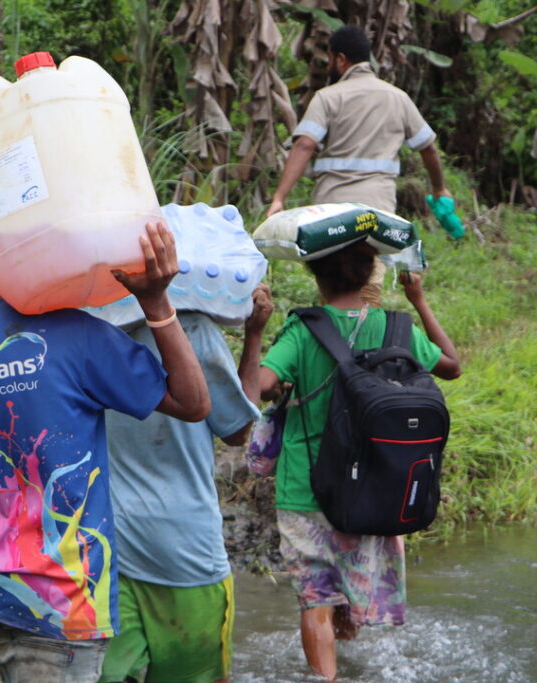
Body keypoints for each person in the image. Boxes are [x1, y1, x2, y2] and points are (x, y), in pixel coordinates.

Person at [0, 199, 210, 682]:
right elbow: (191, 403)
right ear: (8, 253)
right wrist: (156, 303)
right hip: (65, 603)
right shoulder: (70, 334)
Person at [252, 240, 461, 681]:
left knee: (316, 598)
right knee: (348, 593)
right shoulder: (398, 329)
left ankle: (326, 676)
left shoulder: (303, 331)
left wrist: (254, 332)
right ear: (371, 276)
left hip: (306, 489)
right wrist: (418, 300)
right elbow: (451, 365)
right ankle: (346, 662)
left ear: (315, 276)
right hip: (376, 485)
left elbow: (257, 386)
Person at [98, 287, 273, 683]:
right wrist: (254, 336)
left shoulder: (83, 332)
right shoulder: (193, 328)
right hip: (185, 550)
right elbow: (238, 430)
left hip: (107, 548)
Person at [266, 25, 453, 307]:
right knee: (370, 275)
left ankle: (336, 338)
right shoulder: (397, 98)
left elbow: (304, 145)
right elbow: (427, 147)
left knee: (332, 277)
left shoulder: (328, 97)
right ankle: (367, 329)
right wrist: (440, 189)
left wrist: (279, 198)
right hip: (376, 210)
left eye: (330, 58)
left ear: (340, 59)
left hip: (331, 209)